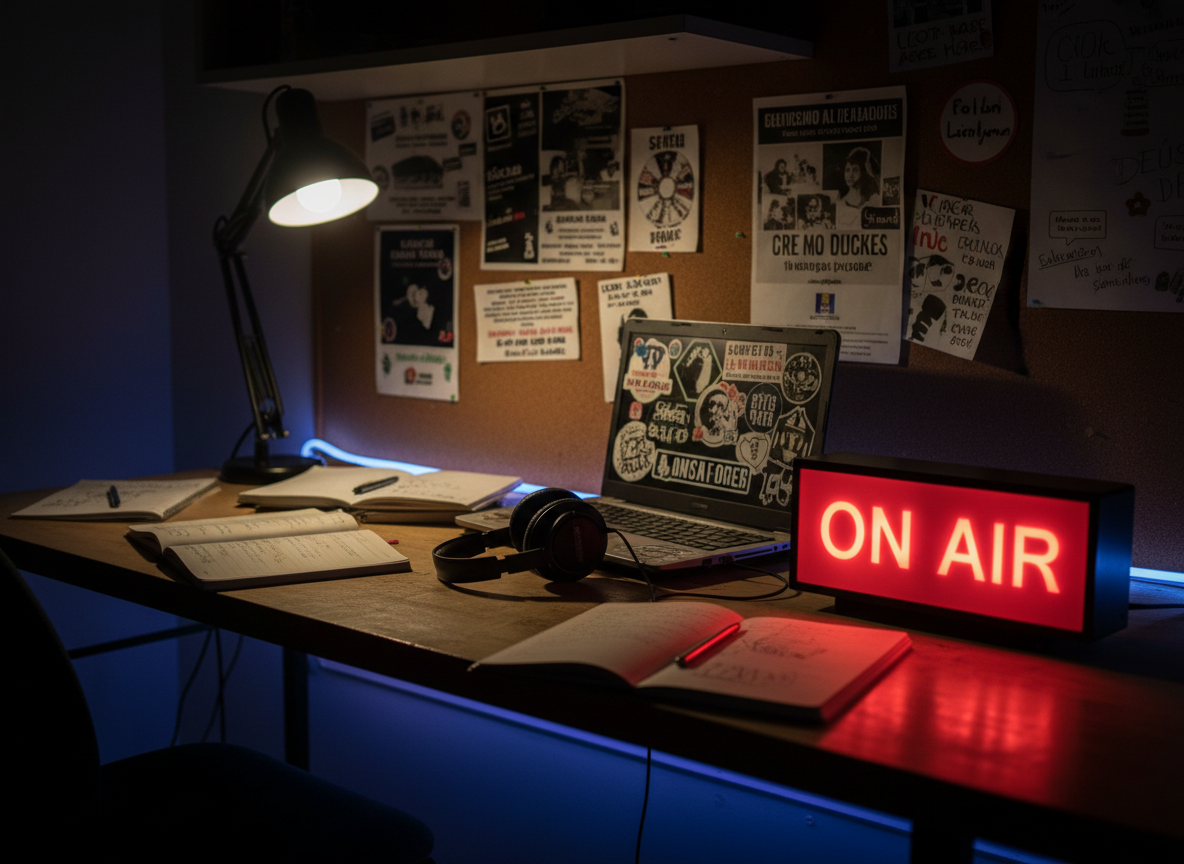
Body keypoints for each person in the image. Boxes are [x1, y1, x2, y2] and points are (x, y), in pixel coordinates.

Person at [836, 147, 881, 229]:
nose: (850, 175)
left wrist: (875, 176)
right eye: (847, 170)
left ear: (864, 173)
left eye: (855, 170)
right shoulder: (839, 204)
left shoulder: (873, 202)